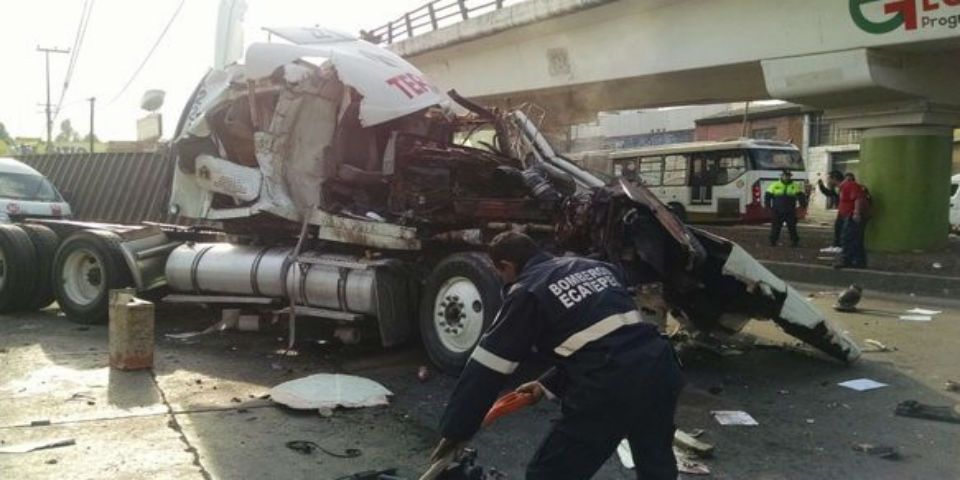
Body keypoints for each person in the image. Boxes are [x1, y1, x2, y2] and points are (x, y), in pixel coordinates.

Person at [430, 232, 684, 480]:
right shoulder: (596, 266)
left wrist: (456, 431)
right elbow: (602, 336)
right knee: (655, 465)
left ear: (506, 265)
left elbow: (488, 367)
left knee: (549, 473)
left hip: (610, 386)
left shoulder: (528, 291)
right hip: (659, 367)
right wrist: (547, 384)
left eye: (500, 274)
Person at [765, 170, 807, 247]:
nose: (786, 177)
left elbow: (801, 196)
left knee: (792, 227)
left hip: (790, 211)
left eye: (788, 176)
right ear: (781, 176)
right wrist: (768, 206)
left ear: (790, 176)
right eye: (785, 175)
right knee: (776, 227)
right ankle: (773, 241)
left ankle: (795, 242)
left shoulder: (795, 185)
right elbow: (768, 196)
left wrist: (803, 205)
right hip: (777, 210)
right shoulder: (774, 185)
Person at [836, 172, 868, 269]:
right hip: (848, 215)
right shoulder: (842, 188)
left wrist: (856, 212)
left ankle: (847, 260)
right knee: (856, 239)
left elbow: (858, 198)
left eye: (828, 178)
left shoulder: (850, 186)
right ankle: (859, 261)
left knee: (847, 238)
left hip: (851, 216)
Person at [817, 170, 844, 253]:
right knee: (838, 227)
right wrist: (821, 186)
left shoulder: (843, 187)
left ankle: (841, 246)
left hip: (847, 212)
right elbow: (829, 193)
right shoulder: (837, 188)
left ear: (834, 178)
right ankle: (837, 245)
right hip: (842, 211)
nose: (828, 180)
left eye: (829, 178)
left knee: (843, 228)